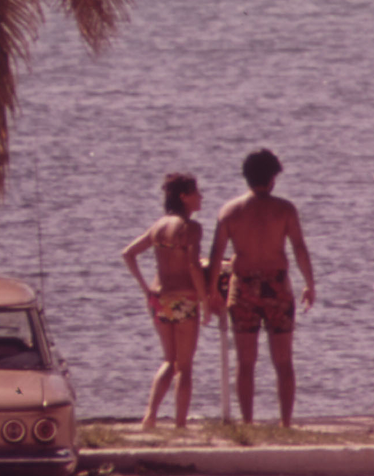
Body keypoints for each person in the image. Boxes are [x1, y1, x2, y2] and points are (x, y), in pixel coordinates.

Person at [208, 148, 315, 427]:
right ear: (273, 179)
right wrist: (309, 283)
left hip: (242, 286)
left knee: (245, 361)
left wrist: (210, 292)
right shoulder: (285, 209)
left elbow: (217, 254)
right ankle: (286, 423)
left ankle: (247, 422)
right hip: (277, 285)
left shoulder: (230, 211)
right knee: (283, 360)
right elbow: (299, 248)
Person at [121, 172, 211, 429]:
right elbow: (193, 267)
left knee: (168, 361)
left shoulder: (159, 226)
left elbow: (128, 254)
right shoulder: (191, 228)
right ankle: (180, 425)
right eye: (196, 192)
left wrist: (145, 289)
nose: (201, 197)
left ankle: (150, 416)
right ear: (184, 197)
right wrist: (205, 302)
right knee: (184, 366)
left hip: (158, 298)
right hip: (184, 298)